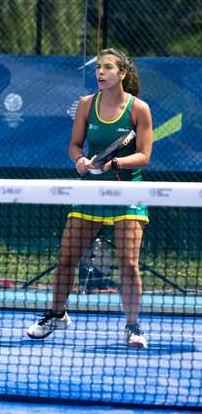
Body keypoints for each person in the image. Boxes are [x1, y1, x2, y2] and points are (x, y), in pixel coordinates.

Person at [26, 48, 153, 348]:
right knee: (66, 258)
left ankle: (133, 327)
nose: (100, 72)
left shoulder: (139, 109)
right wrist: (80, 161)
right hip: (89, 193)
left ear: (122, 73)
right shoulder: (86, 105)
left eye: (108, 67)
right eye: (98, 67)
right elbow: (74, 145)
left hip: (127, 193)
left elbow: (144, 156)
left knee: (129, 264)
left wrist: (115, 163)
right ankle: (57, 314)